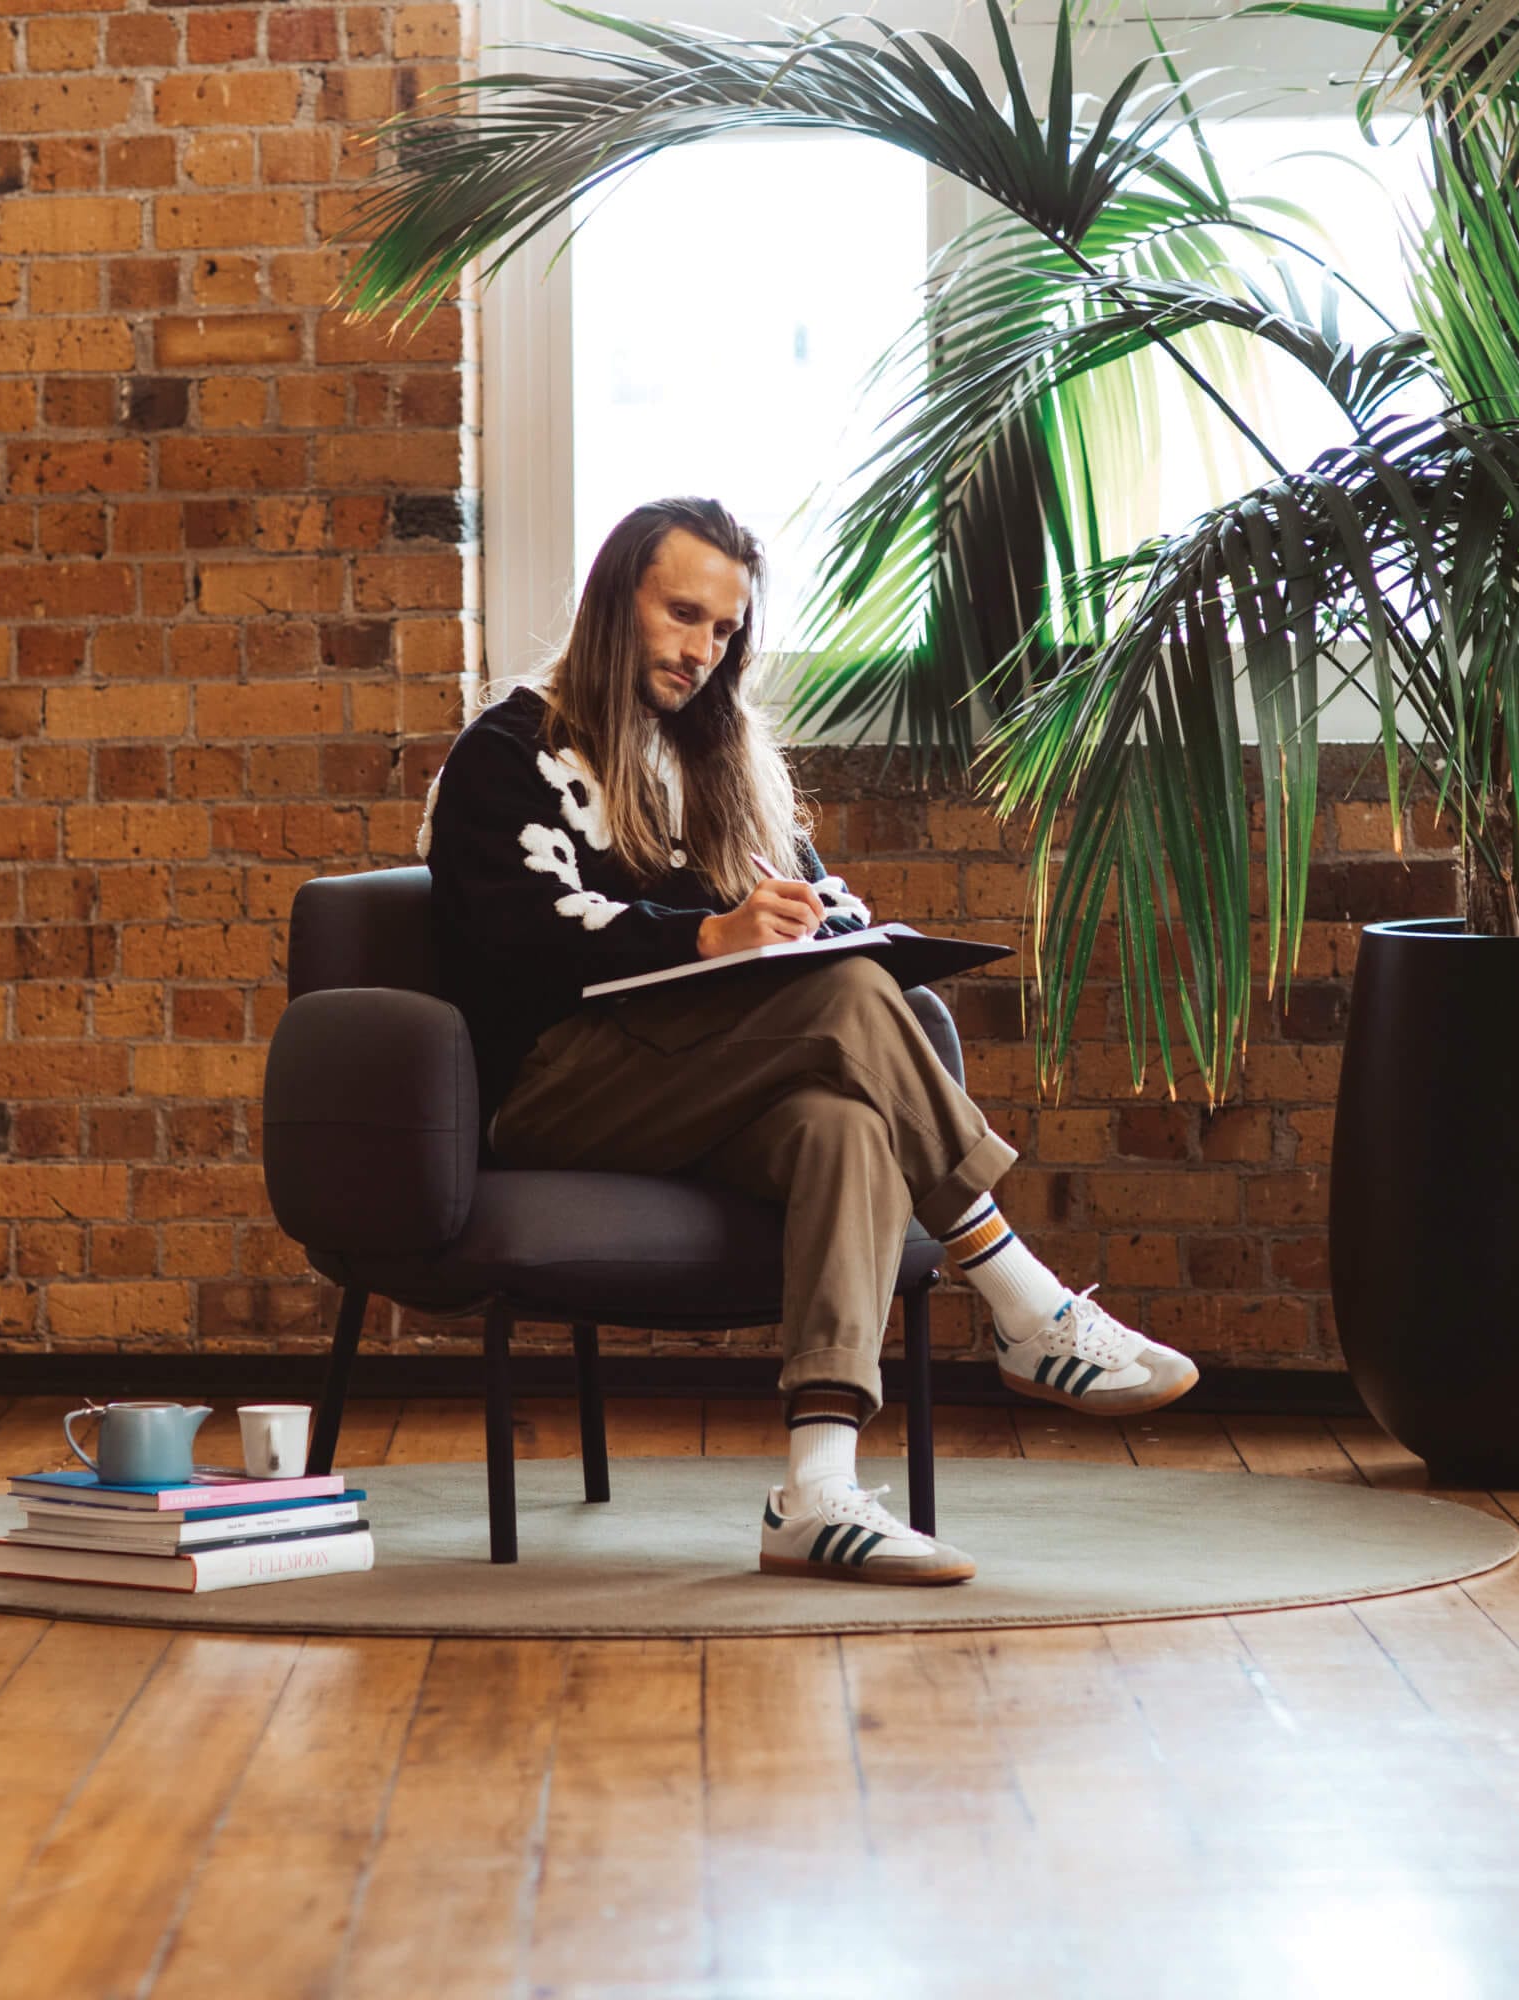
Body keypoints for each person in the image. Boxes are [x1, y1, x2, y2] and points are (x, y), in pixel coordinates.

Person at [418, 497, 1199, 1585]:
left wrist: (823, 919)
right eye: (680, 614)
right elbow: (520, 939)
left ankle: (816, 1488)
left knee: (844, 1124)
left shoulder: (718, 759)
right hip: (556, 1088)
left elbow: (807, 900)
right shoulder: (509, 749)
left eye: (724, 631)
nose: (701, 650)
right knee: (840, 998)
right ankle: (1021, 1297)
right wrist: (706, 933)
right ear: (612, 602)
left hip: (698, 1085)